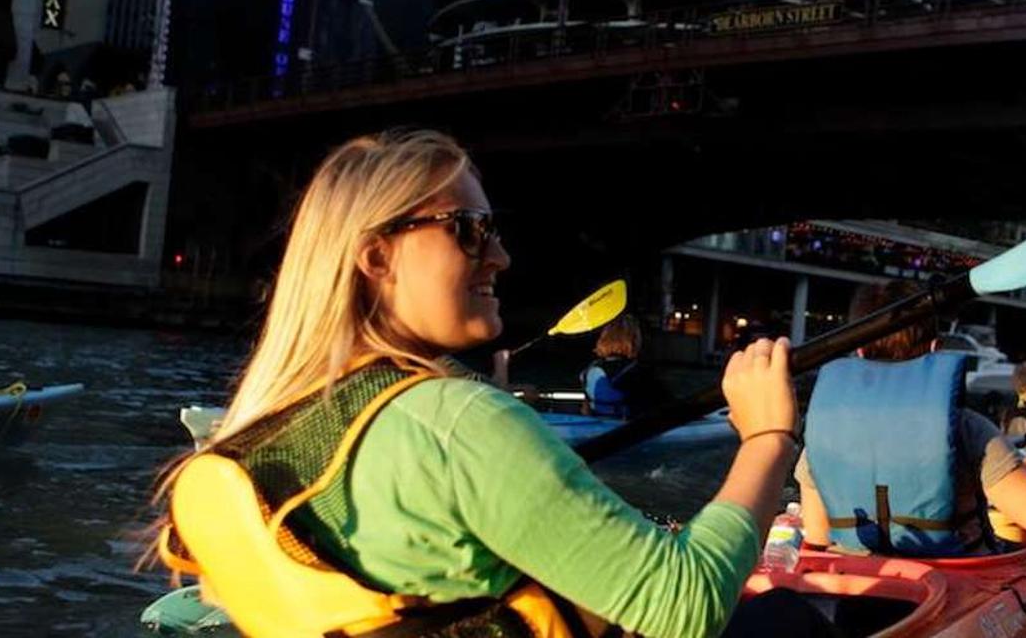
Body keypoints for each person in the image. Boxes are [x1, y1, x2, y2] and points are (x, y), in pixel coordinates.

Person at [153, 129, 799, 638]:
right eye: (470, 229)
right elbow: (684, 604)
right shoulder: (462, 425)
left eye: (493, 230)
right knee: (785, 619)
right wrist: (766, 437)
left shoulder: (260, 435)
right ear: (376, 256)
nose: (500, 255)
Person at [795, 282, 1026, 557]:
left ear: (860, 352)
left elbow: (820, 538)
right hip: (960, 582)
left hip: (861, 584)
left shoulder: (822, 433)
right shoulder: (966, 429)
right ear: (934, 348)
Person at [581, 315, 667, 419]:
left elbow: (585, 410)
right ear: (634, 340)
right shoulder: (638, 371)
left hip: (598, 427)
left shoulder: (589, 370)